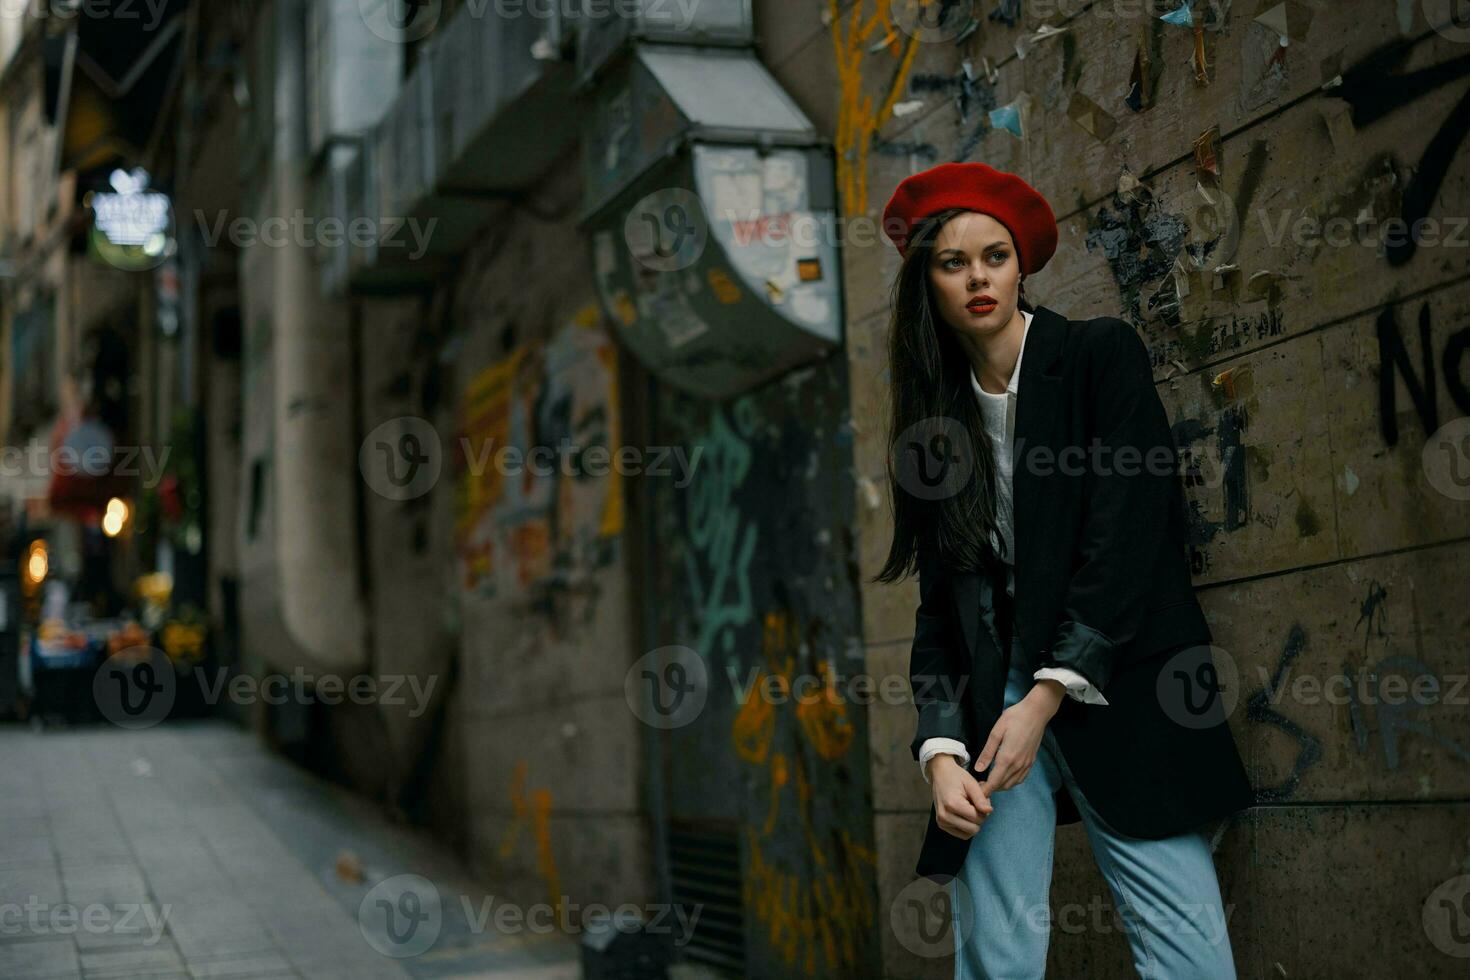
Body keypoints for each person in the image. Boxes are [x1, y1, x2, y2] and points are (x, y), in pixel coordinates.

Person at [872, 162, 1253, 978]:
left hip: (1109, 677)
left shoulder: (1096, 358)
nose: (978, 276)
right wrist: (941, 751)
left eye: (996, 256)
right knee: (995, 956)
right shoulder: (934, 426)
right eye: (952, 262)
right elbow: (939, 610)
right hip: (993, 697)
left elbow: (1128, 543)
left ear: (1021, 267)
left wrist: (1045, 695)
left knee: (1191, 958)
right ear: (926, 285)